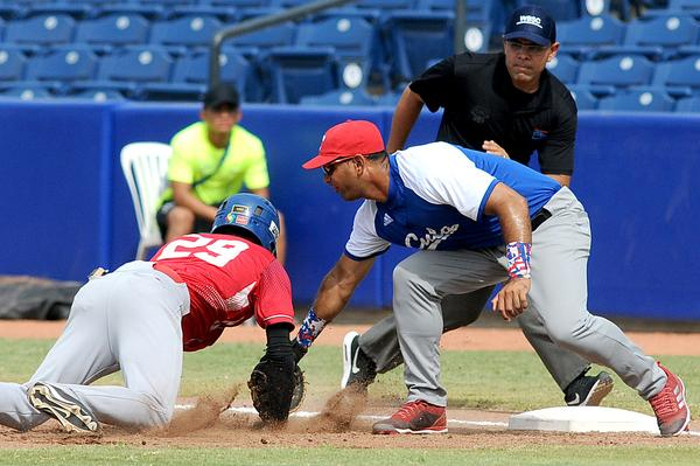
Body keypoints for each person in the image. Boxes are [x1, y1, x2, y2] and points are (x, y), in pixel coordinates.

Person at [293, 120, 690, 437]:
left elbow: (511, 202)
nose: (326, 177)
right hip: (487, 244)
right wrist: (295, 349)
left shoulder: (425, 166)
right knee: (410, 277)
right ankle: (427, 404)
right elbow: (340, 282)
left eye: (330, 167)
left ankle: (658, 384)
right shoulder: (372, 218)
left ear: (359, 163)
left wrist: (519, 274)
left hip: (545, 219)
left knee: (567, 326)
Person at [341, 4, 606, 408]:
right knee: (517, 284)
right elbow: (414, 93)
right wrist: (392, 157)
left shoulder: (558, 103)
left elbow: (558, 186)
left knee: (466, 306)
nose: (523, 54)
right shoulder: (467, 70)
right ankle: (576, 381)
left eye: (532, 47)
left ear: (551, 51)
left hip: (503, 208)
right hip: (450, 204)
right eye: (516, 44)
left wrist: (510, 167)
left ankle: (368, 352)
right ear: (503, 45)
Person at [0, 194, 299, 433]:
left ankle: (51, 393)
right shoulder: (266, 261)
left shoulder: (183, 242)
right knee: (153, 410)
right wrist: (278, 407)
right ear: (270, 236)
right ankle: (67, 395)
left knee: (27, 408)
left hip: (105, 284)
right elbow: (280, 349)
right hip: (153, 296)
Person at [156, 82, 287, 264]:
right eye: (217, 109)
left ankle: (272, 283)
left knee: (274, 219)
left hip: (226, 210)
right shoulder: (185, 140)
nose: (224, 115)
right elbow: (181, 195)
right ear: (204, 114)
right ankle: (165, 278)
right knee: (181, 216)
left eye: (230, 109)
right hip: (188, 207)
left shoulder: (251, 144)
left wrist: (243, 217)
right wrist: (221, 216)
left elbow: (261, 197)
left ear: (238, 114)